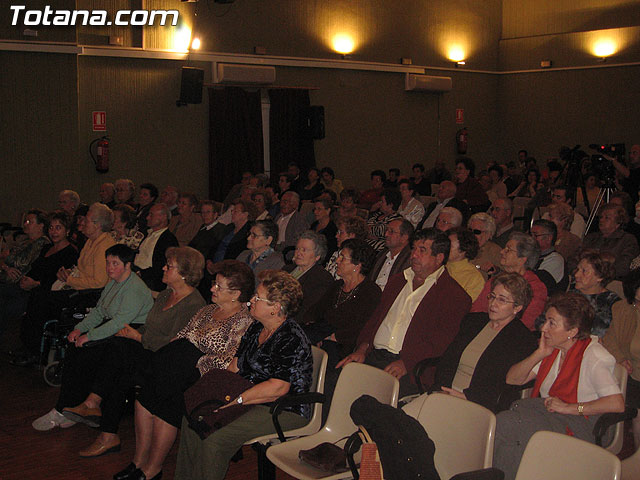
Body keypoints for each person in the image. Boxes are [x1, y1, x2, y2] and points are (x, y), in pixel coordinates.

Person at [113, 260, 255, 480]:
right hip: (177, 366)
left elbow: (229, 361)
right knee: (143, 400)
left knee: (165, 405)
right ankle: (138, 462)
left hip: (203, 375)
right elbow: (182, 334)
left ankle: (153, 469)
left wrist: (194, 361)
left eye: (218, 286)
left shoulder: (243, 322)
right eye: (214, 284)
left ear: (236, 293)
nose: (211, 289)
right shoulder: (207, 310)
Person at [62, 247, 206, 457]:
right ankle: (103, 425)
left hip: (166, 361)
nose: (163, 268)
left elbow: (176, 344)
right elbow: (149, 326)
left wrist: (137, 337)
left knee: (119, 356)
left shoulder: (194, 304)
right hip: (147, 349)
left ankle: (97, 410)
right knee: (118, 360)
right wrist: (132, 333)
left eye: (169, 266)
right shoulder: (167, 294)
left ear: (184, 273)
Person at [174, 270, 312, 480]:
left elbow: (278, 388)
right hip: (248, 395)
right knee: (193, 415)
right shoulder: (256, 327)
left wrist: (232, 404)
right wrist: (215, 397)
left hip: (282, 408)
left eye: (258, 298)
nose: (250, 301)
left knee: (215, 435)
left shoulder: (291, 338)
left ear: (275, 308)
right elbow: (235, 367)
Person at [493, 292, 625, 480]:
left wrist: (571, 408)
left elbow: (616, 403)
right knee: (508, 430)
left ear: (572, 331)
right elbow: (513, 379)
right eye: (546, 321)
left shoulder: (594, 356)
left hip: (583, 423)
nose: (543, 328)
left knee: (508, 425)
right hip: (552, 415)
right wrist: (538, 354)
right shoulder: (554, 350)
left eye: (551, 323)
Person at [31, 245, 154, 431]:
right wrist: (79, 329)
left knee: (85, 351)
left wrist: (89, 336)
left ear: (128, 265)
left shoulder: (135, 288)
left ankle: (62, 409)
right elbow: (99, 311)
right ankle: (71, 407)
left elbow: (119, 323)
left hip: (129, 335)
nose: (110, 268)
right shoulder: (113, 282)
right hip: (114, 328)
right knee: (75, 347)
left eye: (115, 263)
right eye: (108, 263)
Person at [337, 229, 471, 396]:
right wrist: (362, 348)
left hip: (410, 365)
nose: (414, 255)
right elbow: (376, 320)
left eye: (422, 250)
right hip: (375, 354)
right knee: (337, 381)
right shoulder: (398, 280)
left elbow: (442, 341)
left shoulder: (454, 296)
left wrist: (407, 363)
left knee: (372, 398)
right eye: (413, 249)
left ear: (439, 258)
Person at [408, 272, 537, 413]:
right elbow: (447, 360)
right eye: (492, 296)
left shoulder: (522, 340)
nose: (493, 303)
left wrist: (467, 397)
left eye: (502, 300)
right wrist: (441, 389)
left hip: (476, 403)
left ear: (517, 308)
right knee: (401, 418)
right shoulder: (473, 322)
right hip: (443, 393)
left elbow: (501, 385)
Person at [305, 239, 380, 364]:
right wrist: (315, 330)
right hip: (322, 336)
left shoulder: (370, 292)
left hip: (343, 347)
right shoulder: (337, 286)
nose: (337, 261)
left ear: (357, 265)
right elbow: (314, 311)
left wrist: (329, 336)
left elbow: (361, 328)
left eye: (343, 258)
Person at [472, 232, 547, 330]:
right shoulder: (496, 280)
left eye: (508, 250)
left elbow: (524, 325)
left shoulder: (536, 288)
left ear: (522, 259)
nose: (502, 252)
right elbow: (476, 310)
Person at [602, 268, 640, 449]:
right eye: (638, 301)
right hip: (632, 376)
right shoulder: (623, 309)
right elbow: (609, 340)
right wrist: (621, 358)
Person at [283, 231, 333, 324]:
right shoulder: (287, 269)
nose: (298, 253)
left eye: (304, 250)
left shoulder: (321, 278)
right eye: (297, 249)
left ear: (317, 256)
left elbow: (306, 311)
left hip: (292, 323)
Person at [582, 202, 639, 279]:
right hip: (583, 276)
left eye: (607, 218)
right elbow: (576, 257)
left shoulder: (627, 240)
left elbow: (624, 266)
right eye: (601, 217)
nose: (601, 220)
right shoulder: (591, 237)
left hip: (610, 280)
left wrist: (598, 273)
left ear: (618, 222)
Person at [570, 249, 619, 337]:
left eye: (584, 271)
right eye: (578, 269)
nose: (576, 274)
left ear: (600, 276)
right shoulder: (570, 295)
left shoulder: (612, 303)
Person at [134, 203, 179, 292]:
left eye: (151, 214)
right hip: (137, 275)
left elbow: (161, 267)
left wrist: (139, 273)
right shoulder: (148, 234)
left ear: (163, 217)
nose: (147, 218)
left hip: (149, 282)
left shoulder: (168, 240)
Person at [368, 218, 413, 290]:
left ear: (404, 237)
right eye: (387, 230)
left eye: (391, 231)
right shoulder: (382, 254)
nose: (386, 234)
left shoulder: (410, 260)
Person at [446, 228, 485, 301]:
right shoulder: (439, 265)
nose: (445, 248)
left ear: (463, 250)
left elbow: (465, 305)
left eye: (450, 246)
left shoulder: (474, 278)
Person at [530, 219, 567, 293]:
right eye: (531, 234)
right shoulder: (531, 255)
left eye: (535, 235)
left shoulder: (555, 259)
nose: (531, 238)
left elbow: (537, 285)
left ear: (549, 238)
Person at [273, 191, 310, 255]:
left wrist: (276, 246)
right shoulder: (278, 217)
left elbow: (297, 241)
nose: (282, 204)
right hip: (272, 249)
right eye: (281, 201)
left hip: (286, 252)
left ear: (295, 204)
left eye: (286, 202)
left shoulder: (299, 219)